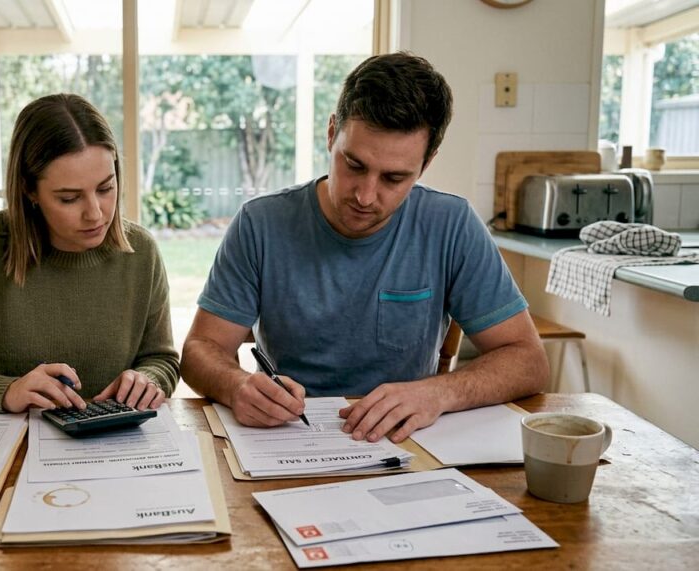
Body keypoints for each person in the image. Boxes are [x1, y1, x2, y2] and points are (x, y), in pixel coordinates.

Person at [181, 52, 547, 443]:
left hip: (404, 443)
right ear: (331, 132)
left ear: (426, 164)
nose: (366, 196)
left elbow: (529, 361)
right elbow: (200, 350)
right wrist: (237, 385)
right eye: (353, 165)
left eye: (393, 178)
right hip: (287, 438)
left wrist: (439, 392)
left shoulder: (451, 224)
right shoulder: (260, 223)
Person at [0, 93, 178, 414]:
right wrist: (7, 391)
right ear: (29, 190)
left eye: (105, 188)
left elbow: (162, 359)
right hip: (10, 448)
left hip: (116, 446)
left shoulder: (141, 251)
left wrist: (147, 379)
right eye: (69, 198)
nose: (96, 214)